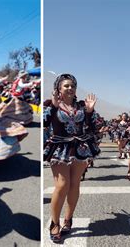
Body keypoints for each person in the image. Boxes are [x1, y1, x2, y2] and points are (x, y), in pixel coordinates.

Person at [43, 74, 100, 243]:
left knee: (75, 183)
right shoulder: (50, 104)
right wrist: (53, 107)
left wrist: (89, 112)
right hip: (60, 148)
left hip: (81, 147)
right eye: (66, 85)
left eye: (72, 86)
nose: (70, 88)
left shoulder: (82, 106)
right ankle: (54, 223)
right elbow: (44, 123)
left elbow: (95, 126)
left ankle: (68, 219)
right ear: (58, 89)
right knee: (62, 184)